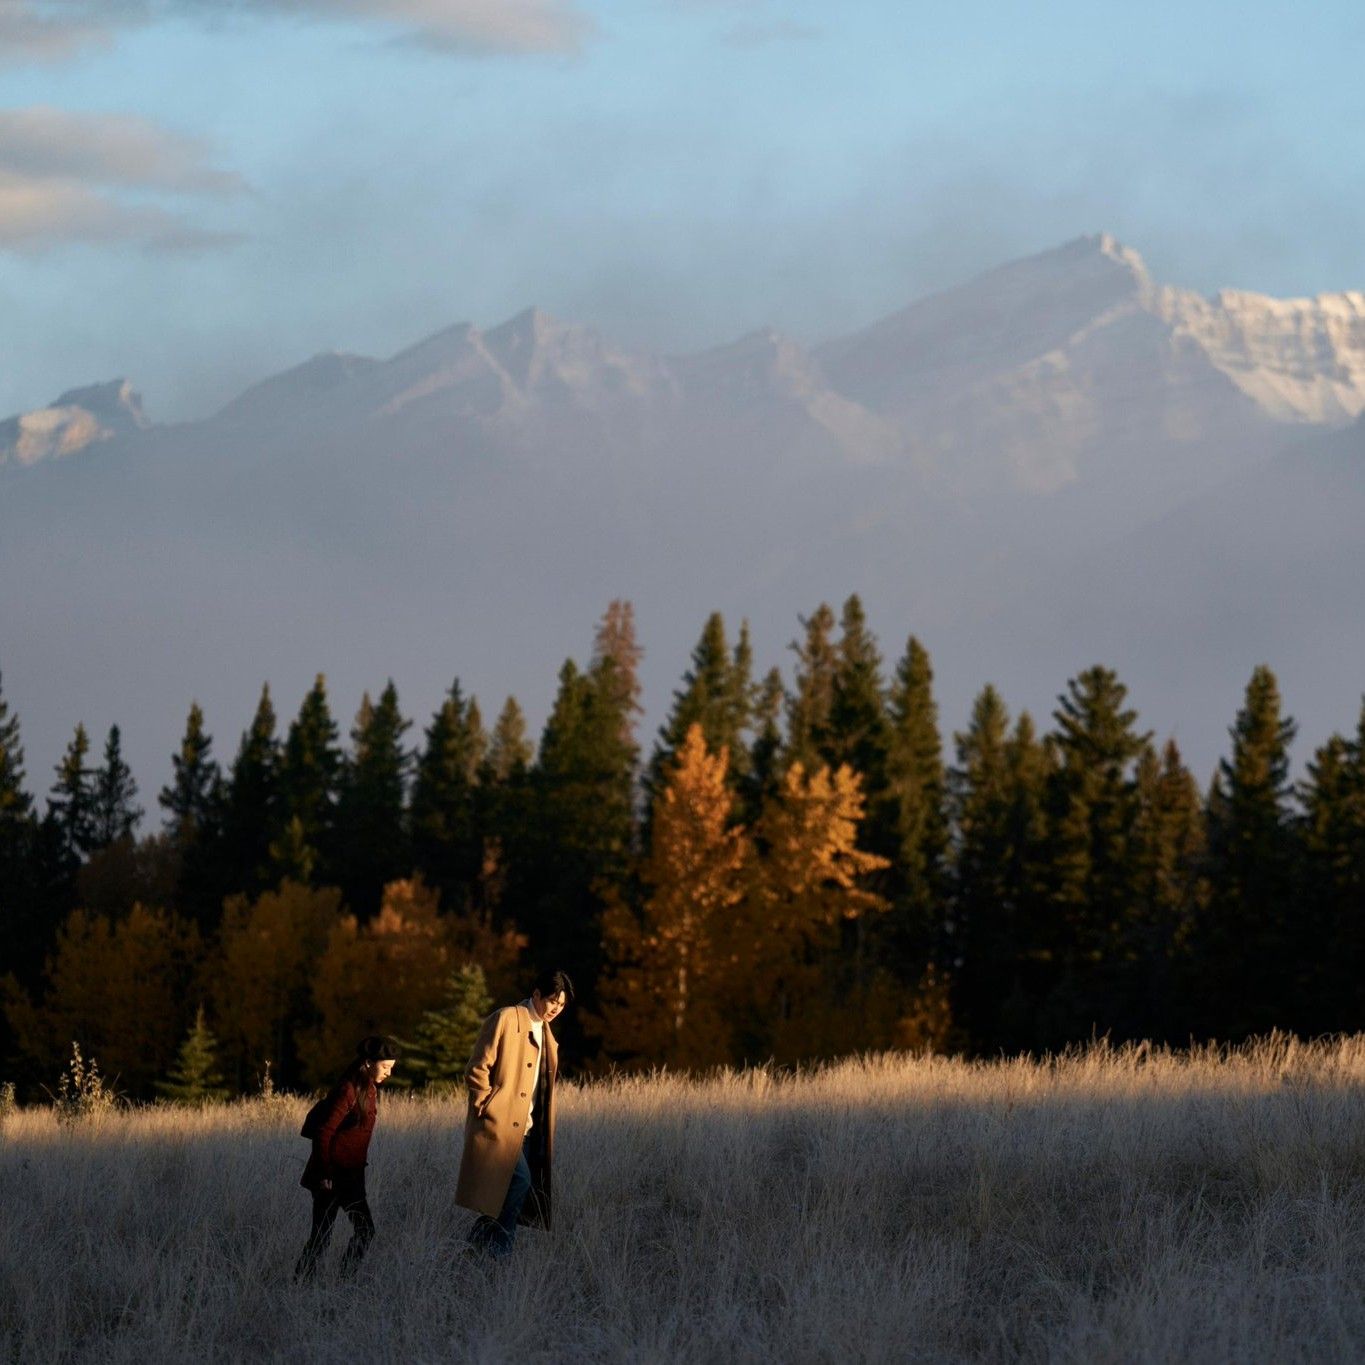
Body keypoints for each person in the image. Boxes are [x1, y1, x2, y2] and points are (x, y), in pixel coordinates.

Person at [456, 969, 573, 1260]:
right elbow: (476, 1069)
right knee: (519, 1182)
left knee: (508, 1193)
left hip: (529, 1128)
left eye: (560, 1007)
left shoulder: (547, 1034)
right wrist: (487, 1106)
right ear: (536, 995)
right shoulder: (506, 1018)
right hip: (500, 1125)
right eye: (551, 1002)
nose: (555, 1011)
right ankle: (499, 1254)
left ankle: (472, 1247)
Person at [293, 1035, 398, 1280]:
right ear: (369, 1062)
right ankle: (300, 1285)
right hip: (329, 1178)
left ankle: (344, 1281)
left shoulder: (369, 1088)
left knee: (365, 1230)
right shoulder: (348, 1089)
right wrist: (325, 1174)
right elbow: (324, 1132)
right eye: (385, 1067)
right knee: (321, 1238)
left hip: (351, 1177)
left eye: (392, 1068)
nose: (389, 1073)